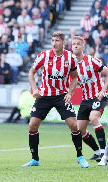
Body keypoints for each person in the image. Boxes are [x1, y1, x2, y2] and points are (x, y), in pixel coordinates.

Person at [24, 31, 89, 168]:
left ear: (63, 42)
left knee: (73, 125)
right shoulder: (44, 56)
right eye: (53, 40)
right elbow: (31, 72)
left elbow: (75, 78)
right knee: (32, 125)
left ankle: (80, 156)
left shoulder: (70, 58)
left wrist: (70, 93)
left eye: (57, 41)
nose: (54, 43)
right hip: (44, 95)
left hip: (61, 95)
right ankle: (35, 159)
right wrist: (34, 88)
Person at [71, 36, 108, 162]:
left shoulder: (92, 60)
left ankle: (103, 153)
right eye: (74, 44)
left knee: (93, 118)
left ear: (83, 47)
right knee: (80, 129)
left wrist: (102, 91)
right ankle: (96, 152)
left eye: (78, 44)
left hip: (98, 96)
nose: (76, 46)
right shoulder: (71, 66)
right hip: (86, 99)